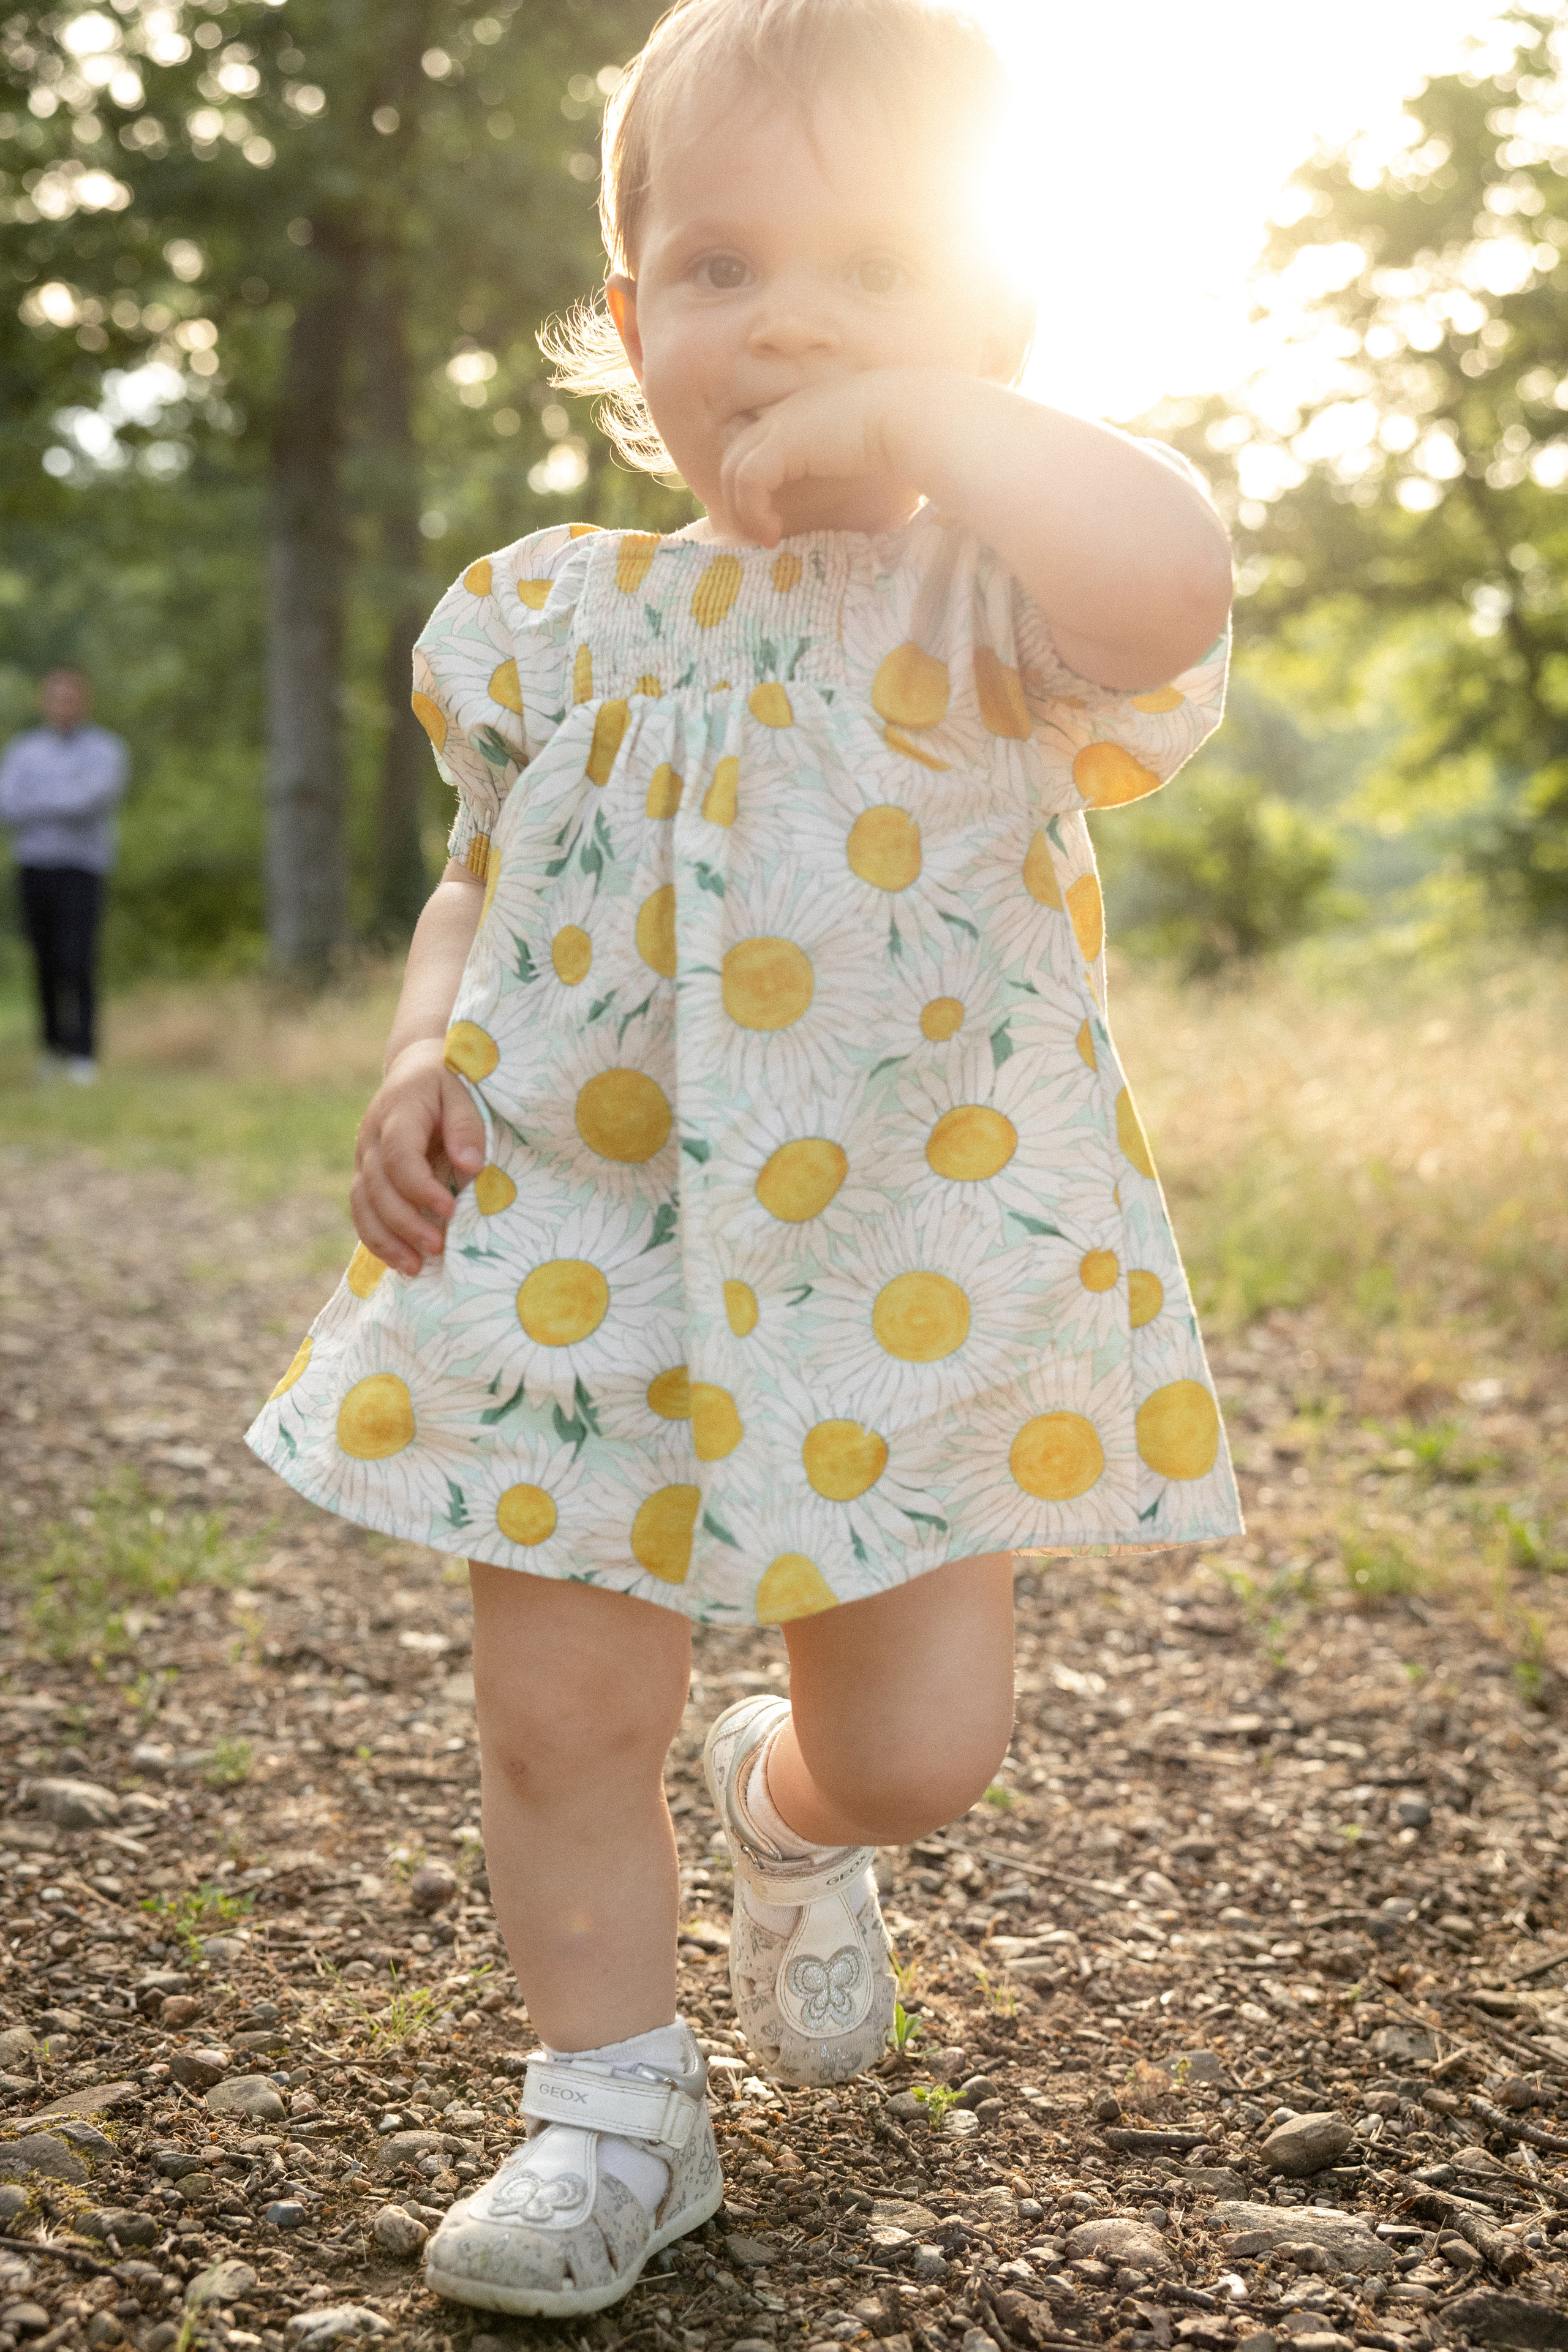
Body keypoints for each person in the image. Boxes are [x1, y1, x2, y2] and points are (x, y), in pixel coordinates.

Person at [247, 0, 1243, 2317]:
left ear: (998, 322)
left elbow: (1177, 577)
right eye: (718, 268)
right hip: (573, 1244)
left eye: (875, 270)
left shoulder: (999, 608)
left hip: (898, 1258)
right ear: (628, 327)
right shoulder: (545, 614)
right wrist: (415, 1047)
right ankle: (610, 2108)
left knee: (920, 1750)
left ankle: (789, 1810)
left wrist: (921, 427)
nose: (788, 321)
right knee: (555, 1710)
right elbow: (479, 876)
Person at [0, 667, 127, 1084]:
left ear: (84, 701)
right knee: (45, 960)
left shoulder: (107, 748)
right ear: (45, 702)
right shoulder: (24, 750)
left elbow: (92, 803)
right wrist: (63, 798)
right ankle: (52, 1048)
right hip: (34, 865)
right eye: (56, 697)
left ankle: (83, 1052)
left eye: (71, 697)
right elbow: (6, 805)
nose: (64, 704)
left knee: (78, 958)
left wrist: (37, 802)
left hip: (82, 867)